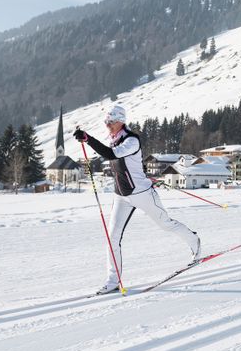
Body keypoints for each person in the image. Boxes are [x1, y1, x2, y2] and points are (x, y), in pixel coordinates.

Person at [74, 104, 200, 295]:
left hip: (142, 193)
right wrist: (86, 139)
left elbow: (111, 155)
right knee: (112, 237)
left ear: (121, 121)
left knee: (165, 224)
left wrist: (88, 139)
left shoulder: (132, 140)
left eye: (111, 121)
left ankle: (195, 241)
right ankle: (113, 281)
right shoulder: (114, 139)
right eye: (106, 121)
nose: (108, 125)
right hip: (121, 196)